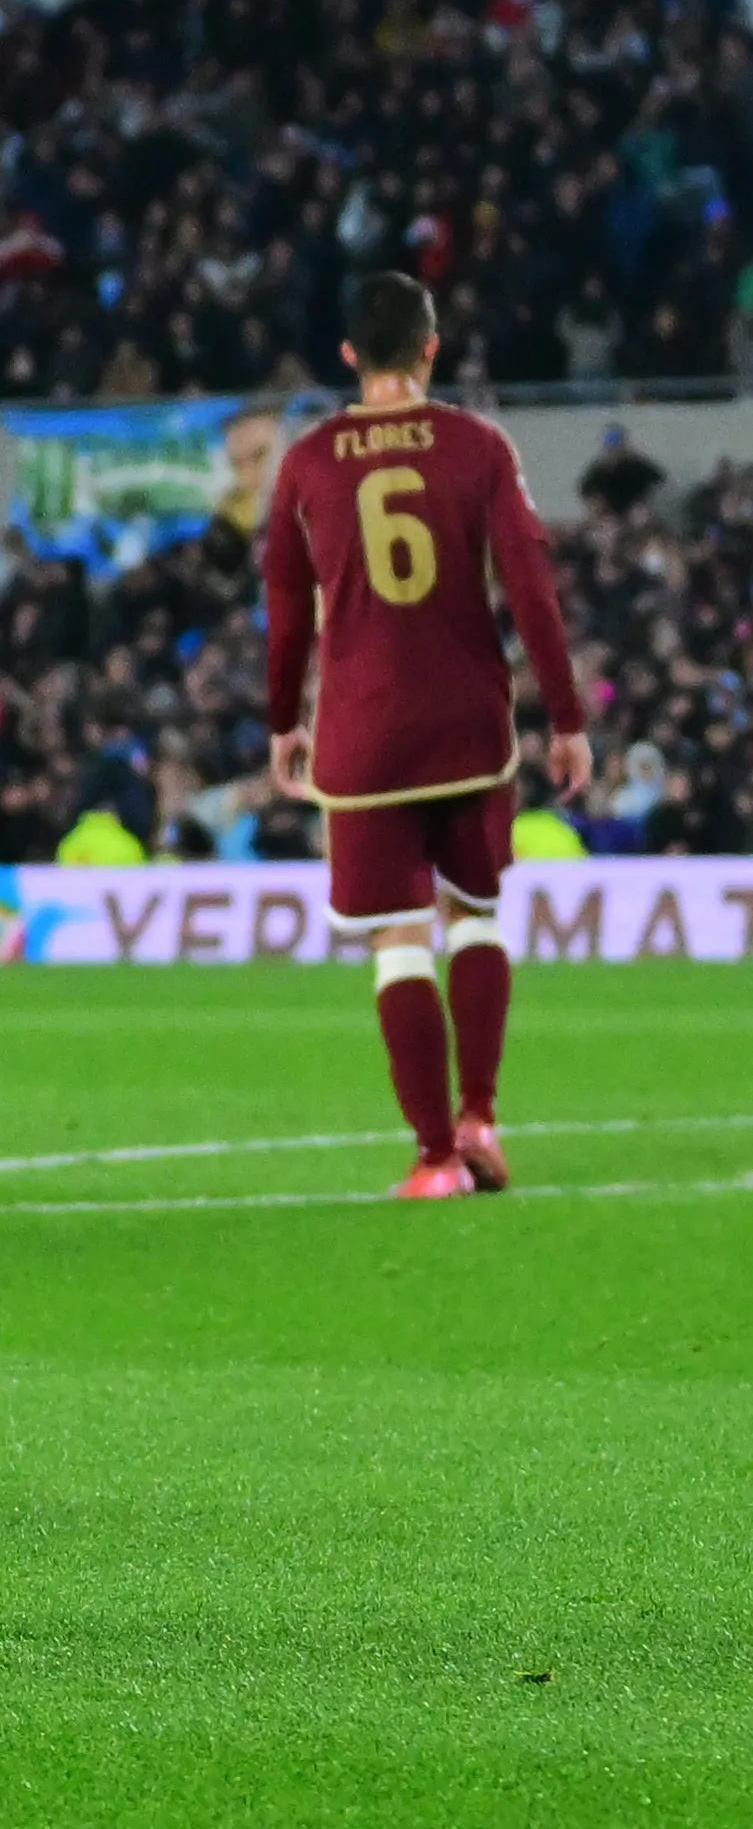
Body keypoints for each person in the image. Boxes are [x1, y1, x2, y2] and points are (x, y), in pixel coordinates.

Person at [262, 271, 586, 1200]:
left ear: (349, 356)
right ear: (432, 346)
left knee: (397, 938)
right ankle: (481, 1115)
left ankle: (435, 1155)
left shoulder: (307, 462)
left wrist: (283, 720)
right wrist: (564, 716)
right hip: (467, 723)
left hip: (363, 735)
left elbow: (287, 614)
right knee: (474, 913)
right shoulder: (477, 446)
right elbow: (531, 589)